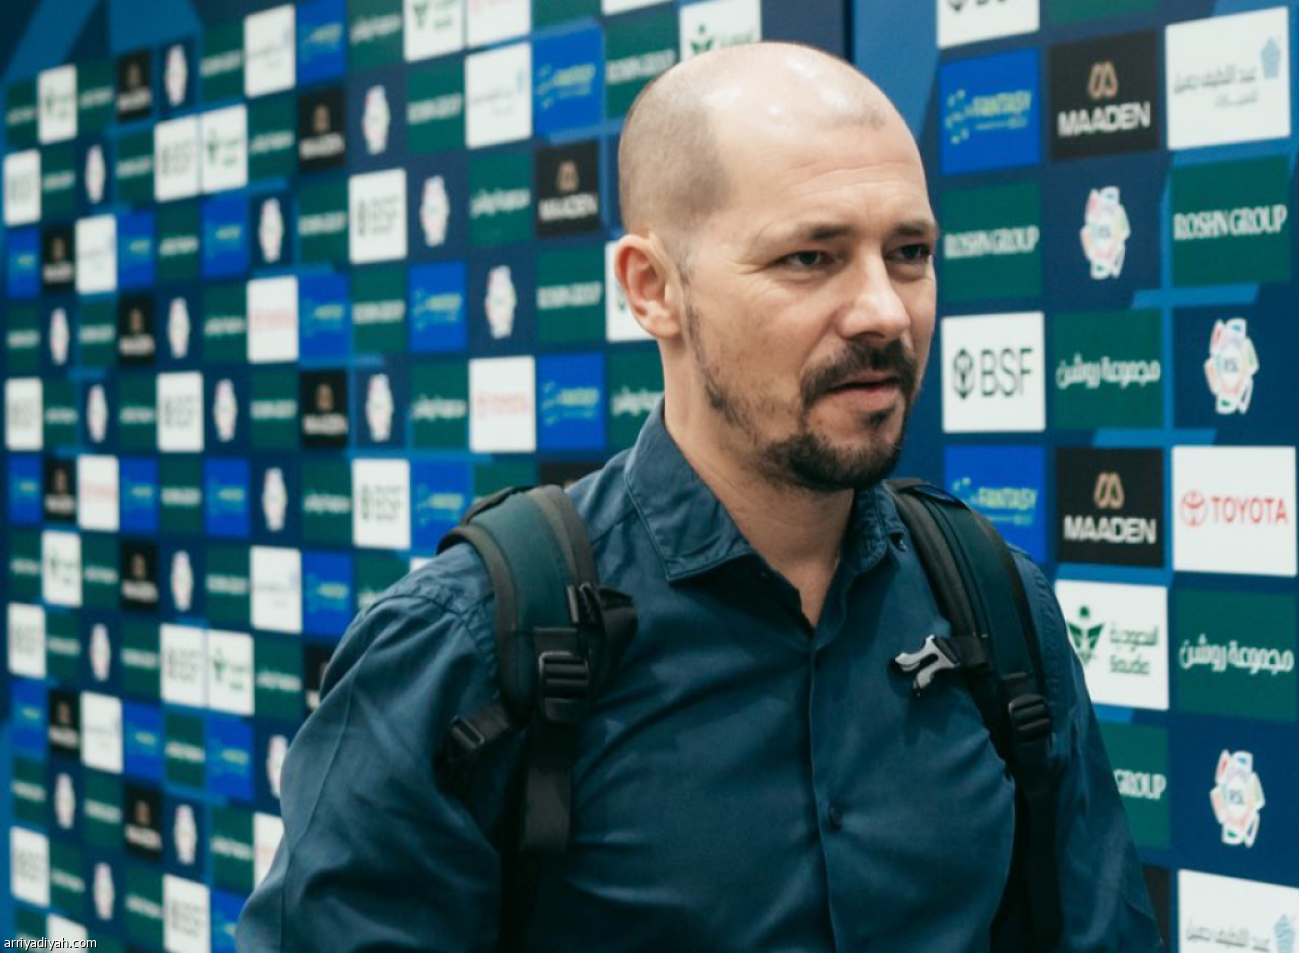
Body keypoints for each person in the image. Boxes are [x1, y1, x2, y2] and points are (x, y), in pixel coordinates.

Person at [235, 42, 1163, 953]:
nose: (885, 310)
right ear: (653, 289)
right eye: (811, 257)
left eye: (909, 252)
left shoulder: (997, 605)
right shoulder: (470, 646)